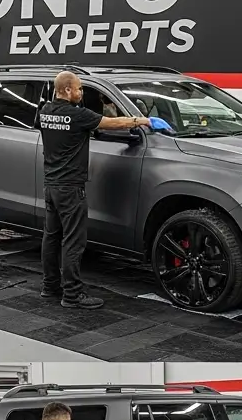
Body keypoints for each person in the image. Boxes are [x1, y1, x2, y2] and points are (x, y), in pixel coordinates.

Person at [37, 71, 166, 310]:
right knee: (73, 242)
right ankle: (72, 295)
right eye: (79, 89)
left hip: (51, 186)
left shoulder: (45, 111)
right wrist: (144, 121)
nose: (81, 93)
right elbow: (111, 123)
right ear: (67, 90)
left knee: (52, 237)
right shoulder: (78, 115)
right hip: (71, 188)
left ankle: (50, 286)